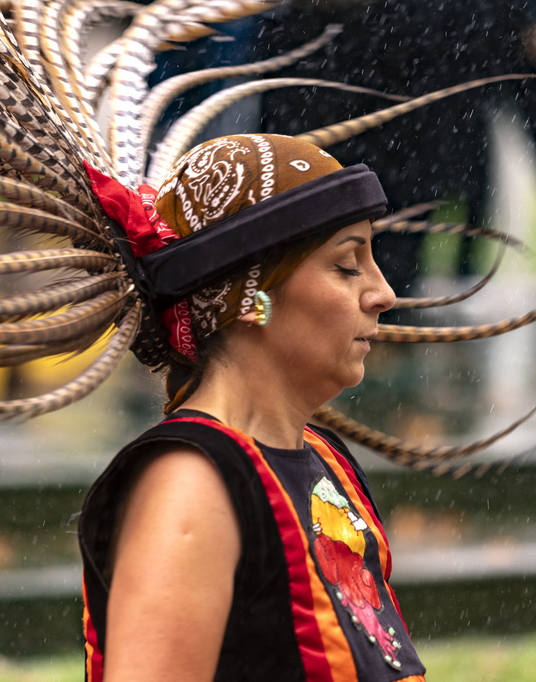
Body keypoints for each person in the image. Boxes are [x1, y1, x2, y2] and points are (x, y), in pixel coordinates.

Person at [79, 133, 425, 681]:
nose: (384, 293)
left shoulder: (321, 456)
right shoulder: (192, 482)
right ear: (252, 295)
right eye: (347, 265)